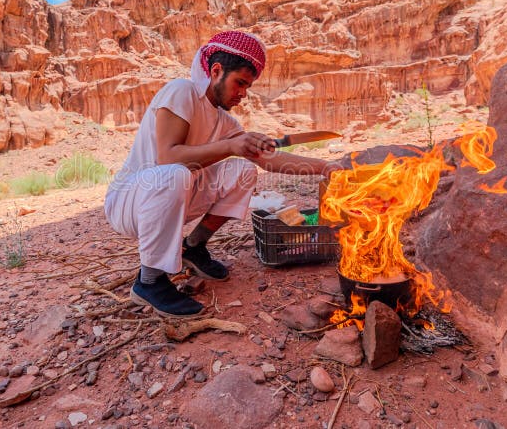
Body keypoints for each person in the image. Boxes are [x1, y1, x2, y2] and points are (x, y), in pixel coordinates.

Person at [104, 30, 342, 317]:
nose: (243, 94)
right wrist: (231, 145)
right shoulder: (182, 91)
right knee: (174, 174)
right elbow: (167, 156)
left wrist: (326, 167)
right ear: (216, 71)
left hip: (172, 197)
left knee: (243, 169)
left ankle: (193, 247)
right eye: (239, 83)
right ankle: (150, 280)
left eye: (248, 87)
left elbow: (268, 159)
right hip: (129, 202)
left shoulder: (224, 121)